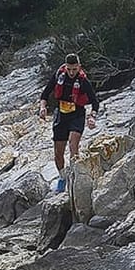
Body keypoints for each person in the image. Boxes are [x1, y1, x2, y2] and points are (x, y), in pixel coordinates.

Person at [38, 53, 99, 193]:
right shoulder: (59, 76)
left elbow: (95, 102)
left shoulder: (83, 82)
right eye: (69, 69)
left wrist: (92, 117)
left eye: (74, 69)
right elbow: (45, 93)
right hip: (61, 114)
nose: (72, 72)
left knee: (73, 146)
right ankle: (62, 177)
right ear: (66, 67)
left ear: (79, 67)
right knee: (58, 153)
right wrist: (42, 107)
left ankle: (75, 176)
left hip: (77, 114)